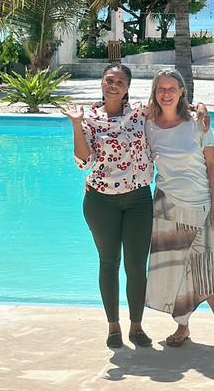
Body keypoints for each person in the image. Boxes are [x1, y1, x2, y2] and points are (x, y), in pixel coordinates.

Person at [63, 63, 155, 349]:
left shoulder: (139, 113)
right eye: (108, 80)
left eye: (119, 81)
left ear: (127, 87)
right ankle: (113, 326)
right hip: (101, 202)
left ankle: (136, 326)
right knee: (109, 262)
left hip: (138, 199)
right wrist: (77, 124)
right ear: (102, 84)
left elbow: (171, 104)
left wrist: (199, 114)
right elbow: (84, 162)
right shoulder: (89, 118)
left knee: (137, 265)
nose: (112, 85)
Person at [143, 69, 214, 351]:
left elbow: (213, 166)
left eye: (172, 88)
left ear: (182, 92)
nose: (166, 93)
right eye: (161, 89)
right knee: (175, 270)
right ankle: (183, 327)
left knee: (208, 270)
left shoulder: (198, 123)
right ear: (155, 93)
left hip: (200, 206)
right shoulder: (148, 123)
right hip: (166, 205)